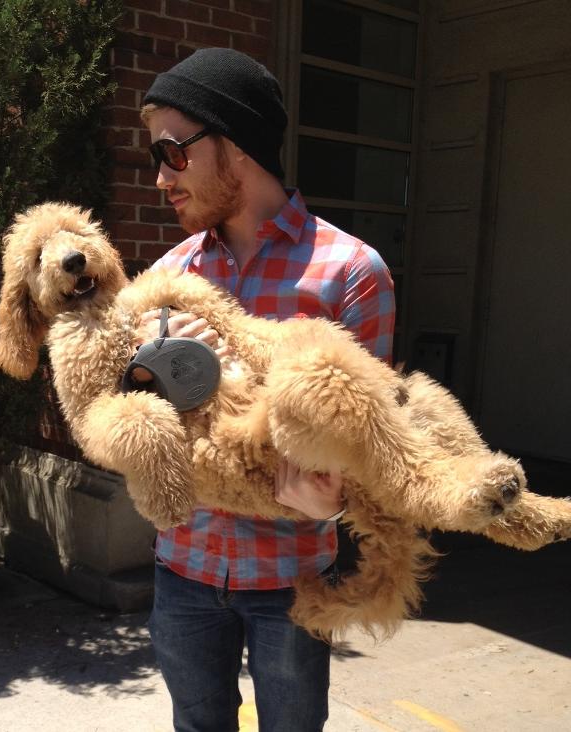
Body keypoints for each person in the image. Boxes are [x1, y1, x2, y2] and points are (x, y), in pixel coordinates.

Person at [137, 48, 395, 732]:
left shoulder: (351, 274)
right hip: (181, 568)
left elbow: (371, 447)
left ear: (233, 142)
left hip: (291, 581)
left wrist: (334, 491)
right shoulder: (168, 274)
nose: (161, 177)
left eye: (172, 151)